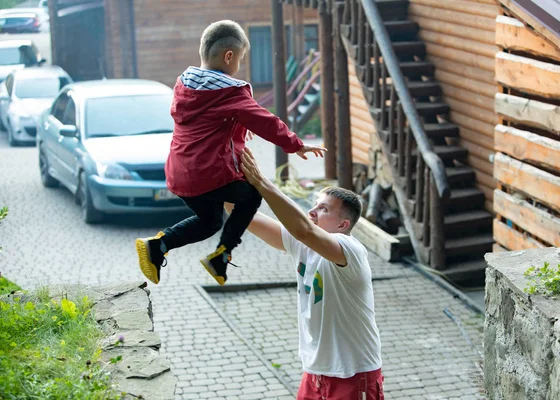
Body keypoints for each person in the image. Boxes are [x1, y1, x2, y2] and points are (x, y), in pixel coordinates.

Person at [135, 20, 324, 286]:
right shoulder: (230, 92)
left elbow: (211, 121)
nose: (239, 66)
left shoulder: (183, 85)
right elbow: (265, 121)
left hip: (179, 175)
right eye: (241, 59)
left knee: (210, 221)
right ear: (229, 56)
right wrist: (295, 144)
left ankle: (158, 245)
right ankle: (221, 257)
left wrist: (238, 125)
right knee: (252, 195)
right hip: (209, 174)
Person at [228, 147, 384, 399]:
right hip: (315, 371)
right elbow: (244, 216)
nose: (312, 212)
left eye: (323, 209)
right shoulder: (303, 243)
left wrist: (262, 181)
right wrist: (213, 179)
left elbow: (304, 230)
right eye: (314, 205)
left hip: (353, 373)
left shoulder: (350, 248)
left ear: (343, 225)